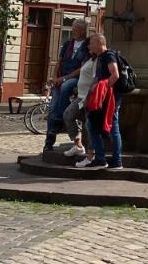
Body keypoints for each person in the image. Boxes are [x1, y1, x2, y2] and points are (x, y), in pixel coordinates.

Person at [78, 33, 124, 169]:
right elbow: (97, 78)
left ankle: (117, 161)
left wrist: (103, 91)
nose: (89, 45)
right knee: (93, 126)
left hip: (109, 99)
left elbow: (115, 75)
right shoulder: (99, 57)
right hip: (101, 98)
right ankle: (100, 158)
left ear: (99, 43)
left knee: (113, 127)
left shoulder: (109, 55)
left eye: (91, 43)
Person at [45, 19, 90, 152]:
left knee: (65, 87)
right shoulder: (68, 44)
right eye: (73, 29)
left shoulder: (87, 45)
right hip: (61, 78)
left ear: (82, 30)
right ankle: (49, 141)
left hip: (75, 78)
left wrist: (64, 78)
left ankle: (61, 119)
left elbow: (83, 68)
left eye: (76, 29)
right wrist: (55, 78)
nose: (73, 31)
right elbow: (59, 62)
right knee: (52, 108)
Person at [61, 53, 98, 160]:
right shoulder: (89, 59)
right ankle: (78, 145)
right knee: (68, 115)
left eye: (91, 44)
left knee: (89, 124)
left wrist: (89, 96)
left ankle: (91, 154)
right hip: (80, 96)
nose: (89, 47)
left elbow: (96, 78)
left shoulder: (99, 60)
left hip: (88, 97)